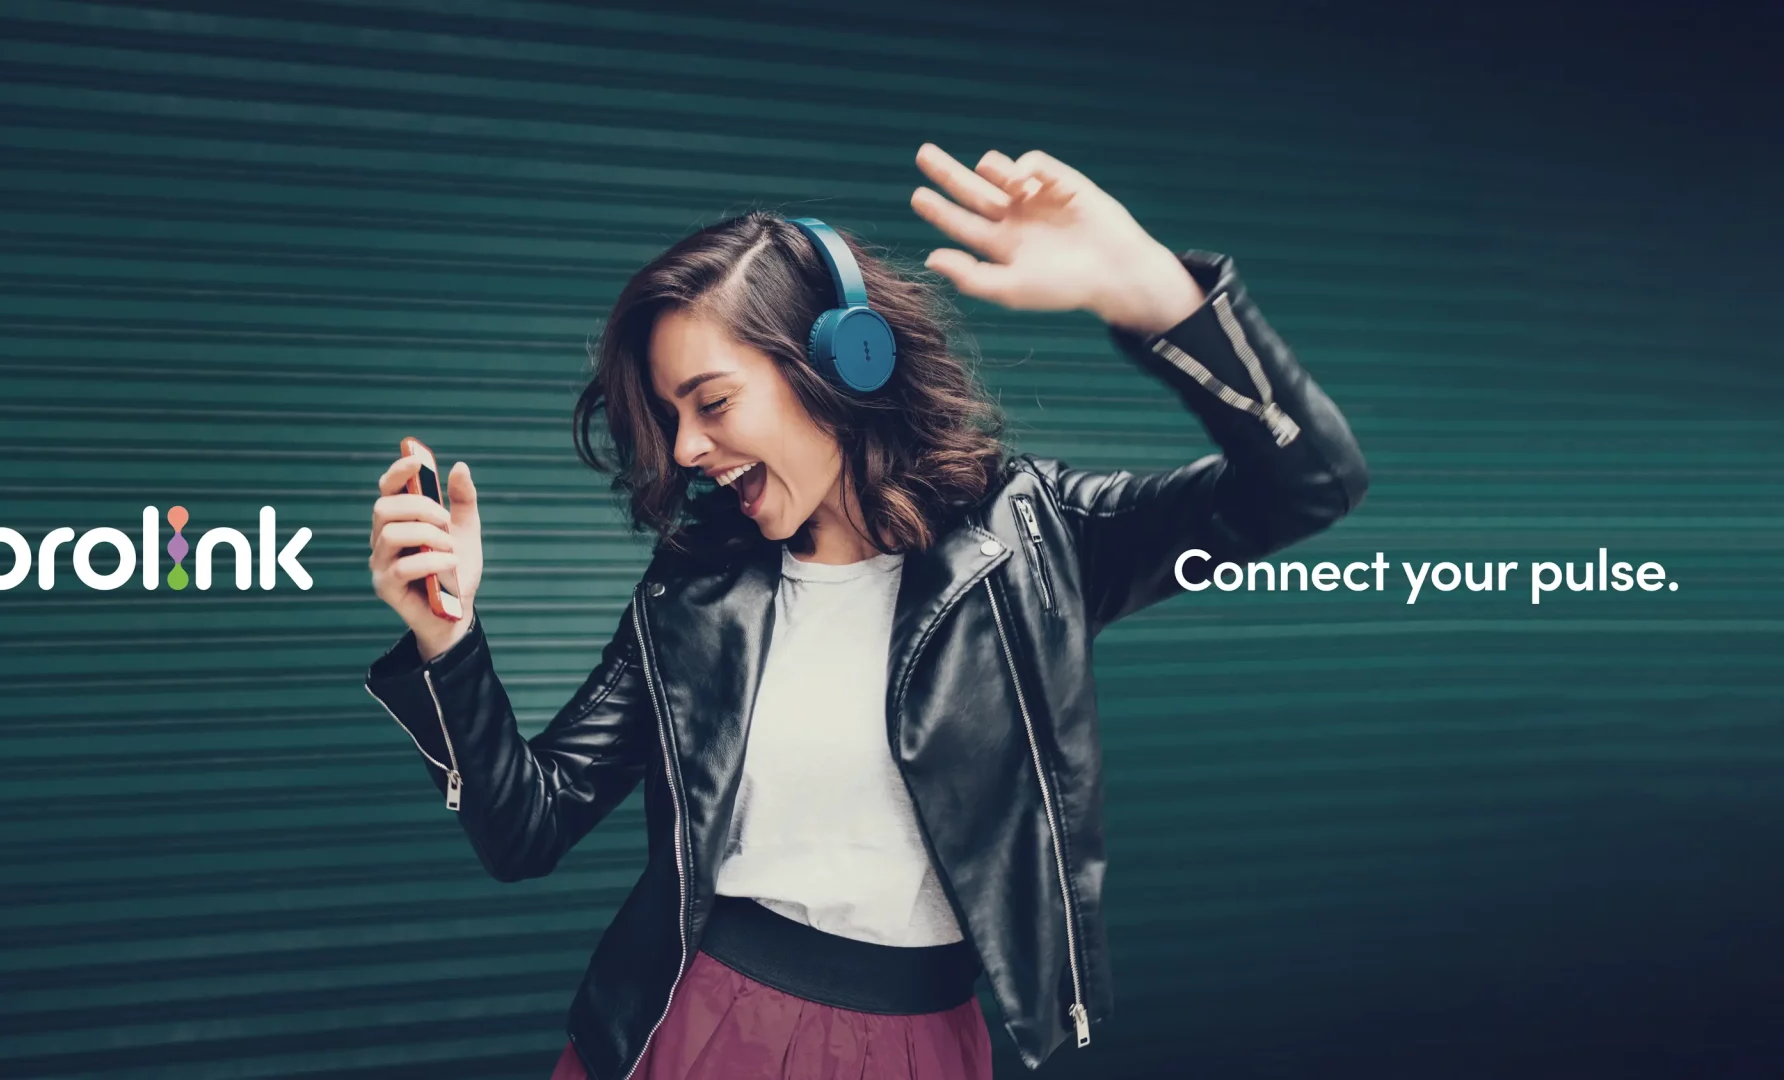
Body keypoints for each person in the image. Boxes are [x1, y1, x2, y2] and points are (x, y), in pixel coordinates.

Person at [366, 143, 1369, 1080]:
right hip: (693, 1023)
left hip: (924, 1041)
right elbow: (527, 828)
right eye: (671, 418)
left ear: (843, 361)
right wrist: (447, 639)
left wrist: (1155, 295)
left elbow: (1309, 482)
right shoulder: (693, 587)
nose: (684, 450)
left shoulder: (1034, 538)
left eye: (712, 403)